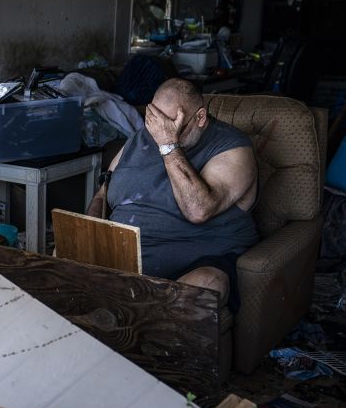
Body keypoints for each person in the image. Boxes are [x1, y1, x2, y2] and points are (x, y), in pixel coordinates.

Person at [87, 78, 258, 311]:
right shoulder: (142, 137)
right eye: (155, 121)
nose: (157, 132)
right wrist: (87, 234)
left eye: (171, 125)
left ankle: (143, 318)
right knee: (59, 257)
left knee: (208, 285)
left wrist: (168, 145)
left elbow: (198, 210)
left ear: (200, 118)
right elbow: (102, 194)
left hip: (190, 266)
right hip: (121, 256)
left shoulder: (233, 147)